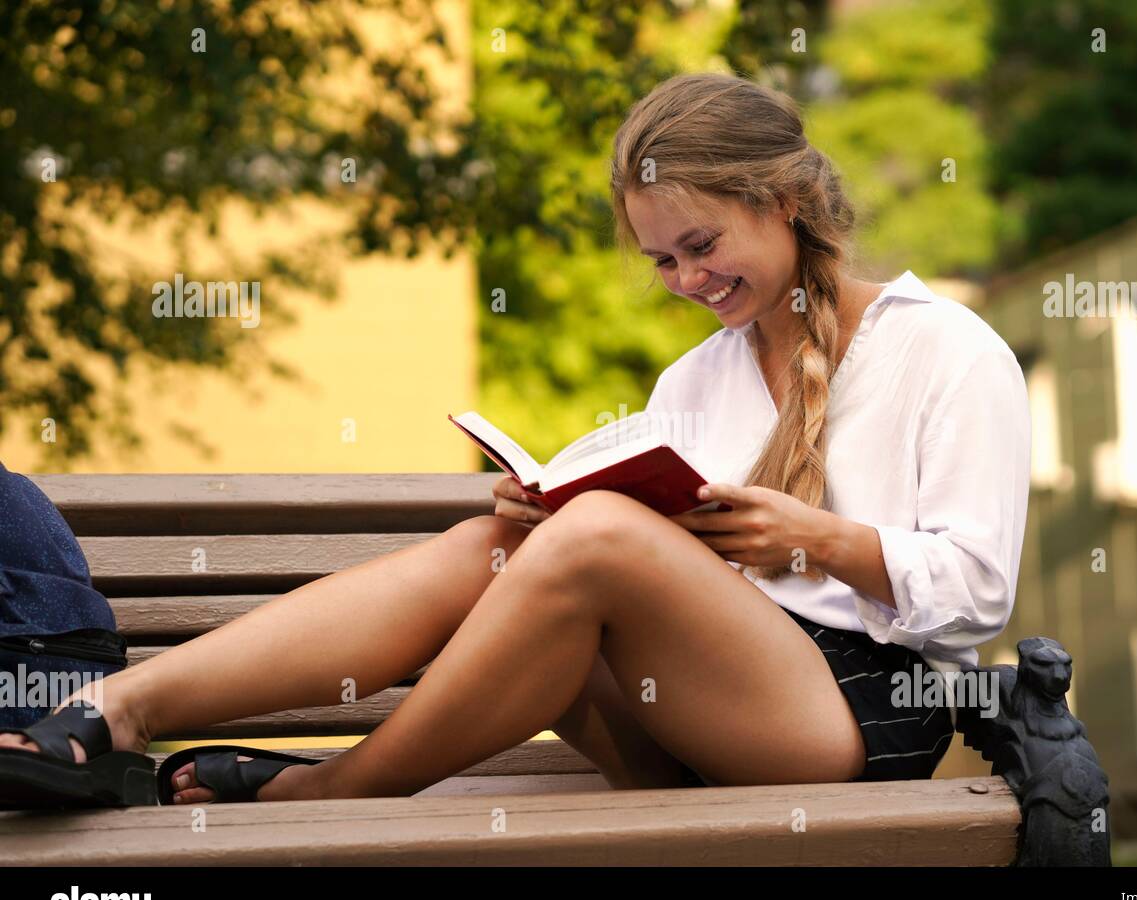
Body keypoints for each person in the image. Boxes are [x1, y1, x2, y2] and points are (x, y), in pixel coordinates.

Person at [0, 72, 1030, 808]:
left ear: (789, 201)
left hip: (855, 722)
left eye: (701, 245)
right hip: (687, 722)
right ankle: (109, 709)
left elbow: (979, 590)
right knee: (501, 544)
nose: (685, 280)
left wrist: (813, 538)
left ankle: (337, 787)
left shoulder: (943, 350)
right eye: (659, 260)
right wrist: (545, 512)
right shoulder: (695, 376)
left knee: (594, 543)